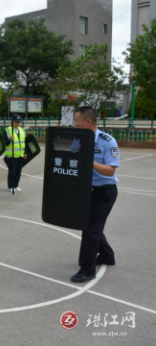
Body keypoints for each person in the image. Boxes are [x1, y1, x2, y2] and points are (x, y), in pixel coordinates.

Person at [70, 106, 120, 283]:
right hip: (86, 190)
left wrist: (89, 162)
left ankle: (87, 269)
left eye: (77, 121)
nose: (75, 124)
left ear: (87, 122)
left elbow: (110, 170)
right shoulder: (78, 140)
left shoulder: (107, 141)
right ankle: (107, 255)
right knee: (92, 226)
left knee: (90, 228)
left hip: (104, 191)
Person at [3, 114, 27, 192]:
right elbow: (4, 143)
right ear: (12, 121)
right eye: (16, 122)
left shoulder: (22, 130)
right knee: (12, 171)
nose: (17, 123)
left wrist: (25, 152)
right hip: (11, 155)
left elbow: (24, 142)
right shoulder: (7, 130)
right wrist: (9, 139)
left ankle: (16, 185)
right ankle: (11, 186)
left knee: (18, 171)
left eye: (19, 122)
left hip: (20, 154)